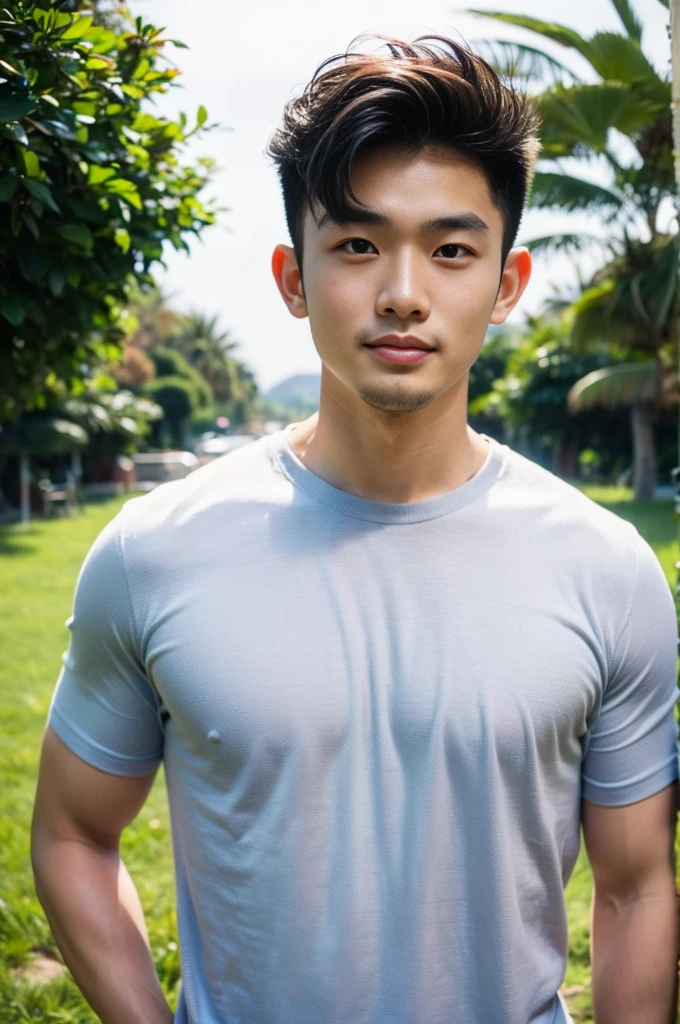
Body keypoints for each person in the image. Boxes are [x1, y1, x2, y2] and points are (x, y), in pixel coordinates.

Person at [31, 35, 679, 1024]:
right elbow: (73, 833)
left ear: (505, 284)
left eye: (451, 248)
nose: (403, 292)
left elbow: (635, 886)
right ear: (294, 278)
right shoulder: (152, 553)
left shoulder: (605, 570)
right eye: (358, 244)